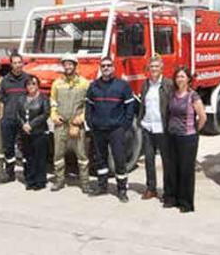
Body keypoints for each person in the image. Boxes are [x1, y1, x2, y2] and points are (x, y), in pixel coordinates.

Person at [86, 56, 135, 203]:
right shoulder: (93, 86)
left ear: (113, 68)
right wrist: (90, 122)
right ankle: (102, 186)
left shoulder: (122, 86)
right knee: (100, 159)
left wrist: (124, 125)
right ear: (100, 68)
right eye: (103, 66)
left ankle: (122, 189)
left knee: (119, 159)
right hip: (98, 129)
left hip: (116, 130)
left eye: (108, 65)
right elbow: (89, 106)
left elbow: (130, 107)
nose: (106, 68)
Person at [165, 66, 206, 213]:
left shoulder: (193, 96)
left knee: (186, 170)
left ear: (188, 79)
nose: (179, 79)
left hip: (187, 138)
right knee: (172, 168)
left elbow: (202, 117)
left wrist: (194, 131)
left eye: (182, 76)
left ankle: (186, 203)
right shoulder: (172, 94)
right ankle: (172, 198)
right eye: (177, 77)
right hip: (172, 136)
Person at [49, 53, 90, 193]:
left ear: (75, 66)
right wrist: (54, 116)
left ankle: (85, 183)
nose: (68, 66)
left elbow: (88, 104)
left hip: (76, 124)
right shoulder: (57, 83)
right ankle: (59, 181)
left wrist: (82, 118)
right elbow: (53, 102)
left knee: (82, 156)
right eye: (65, 64)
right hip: (61, 124)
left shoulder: (84, 83)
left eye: (70, 63)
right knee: (58, 155)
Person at [138, 54, 173, 200]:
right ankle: (151, 188)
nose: (154, 69)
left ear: (161, 68)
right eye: (151, 66)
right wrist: (141, 121)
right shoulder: (145, 84)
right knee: (149, 159)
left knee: (167, 160)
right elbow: (143, 104)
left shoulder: (168, 84)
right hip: (148, 127)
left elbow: (172, 106)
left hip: (163, 128)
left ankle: (168, 191)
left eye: (156, 66)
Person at [0, 52, 29, 184]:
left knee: (26, 147)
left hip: (24, 120)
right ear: (11, 65)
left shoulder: (28, 79)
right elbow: (2, 101)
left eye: (19, 62)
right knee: (8, 147)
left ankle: (28, 174)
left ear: (22, 64)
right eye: (14, 63)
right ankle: (9, 173)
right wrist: (1, 118)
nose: (17, 65)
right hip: (8, 119)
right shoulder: (5, 81)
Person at [18, 75, 50, 190]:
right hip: (25, 133)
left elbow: (45, 114)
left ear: (38, 85)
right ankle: (30, 180)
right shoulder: (21, 98)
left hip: (39, 132)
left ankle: (40, 181)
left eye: (33, 84)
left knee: (39, 158)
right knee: (28, 157)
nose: (31, 86)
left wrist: (31, 125)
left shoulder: (43, 98)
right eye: (28, 84)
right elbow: (18, 114)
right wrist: (23, 125)